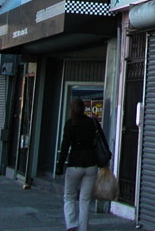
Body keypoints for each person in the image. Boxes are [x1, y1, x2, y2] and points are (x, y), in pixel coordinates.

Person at [56, 98, 99, 231]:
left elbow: (65, 146)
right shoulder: (92, 122)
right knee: (85, 200)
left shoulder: (70, 124)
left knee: (69, 196)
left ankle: (71, 225)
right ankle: (83, 228)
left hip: (74, 164)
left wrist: (59, 165)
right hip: (91, 164)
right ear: (84, 108)